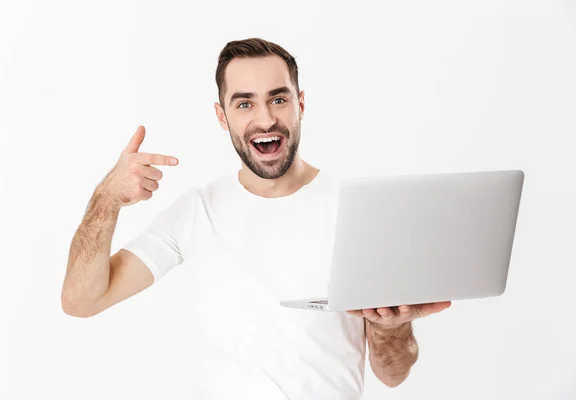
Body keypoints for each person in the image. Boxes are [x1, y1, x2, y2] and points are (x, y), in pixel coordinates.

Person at [61, 37, 451, 399]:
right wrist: (106, 199)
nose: (265, 120)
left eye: (278, 100)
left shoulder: (359, 211)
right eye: (244, 103)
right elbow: (82, 301)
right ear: (222, 115)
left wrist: (391, 329)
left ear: (300, 103)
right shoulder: (196, 211)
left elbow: (392, 374)